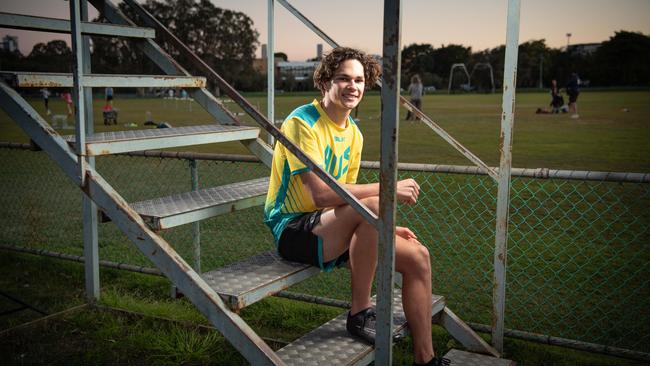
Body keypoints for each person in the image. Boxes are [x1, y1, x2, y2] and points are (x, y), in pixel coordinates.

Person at [264, 47, 449, 366]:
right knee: (376, 204)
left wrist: (381, 227)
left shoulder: (354, 133)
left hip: (331, 225)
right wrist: (388, 191)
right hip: (294, 230)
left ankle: (425, 360)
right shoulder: (301, 122)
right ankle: (360, 312)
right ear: (324, 83)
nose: (353, 86)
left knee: (419, 257)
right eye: (343, 79)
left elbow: (347, 199)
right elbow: (322, 195)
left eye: (360, 80)